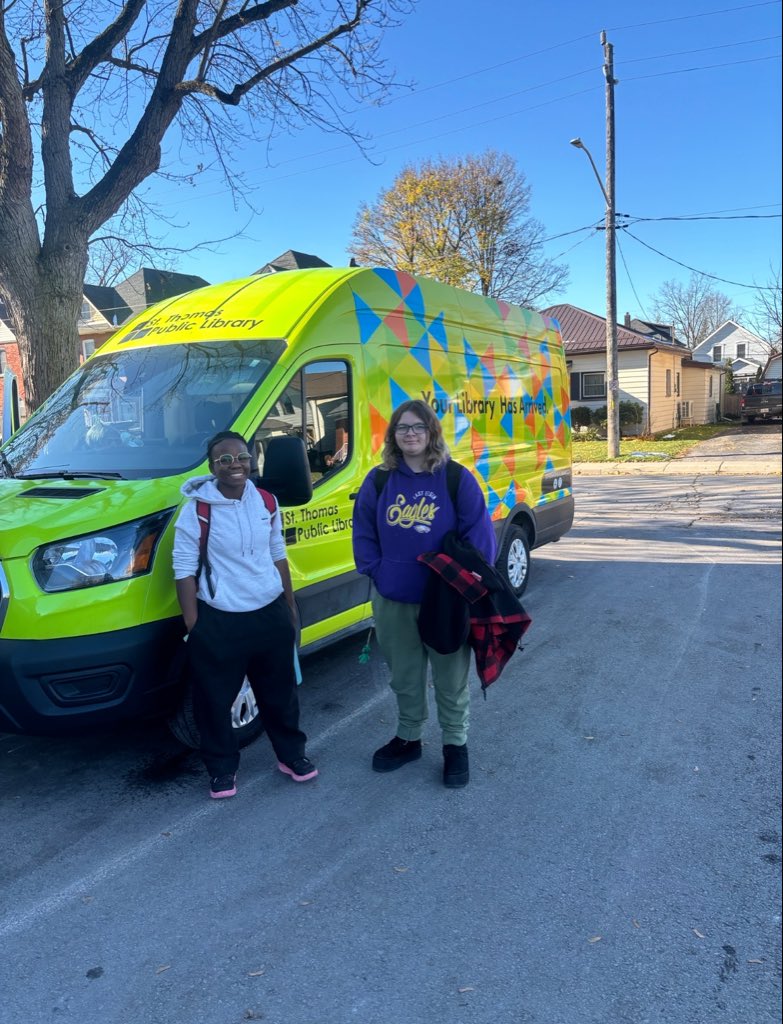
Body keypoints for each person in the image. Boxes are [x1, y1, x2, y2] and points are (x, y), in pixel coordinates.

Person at [352, 399, 496, 788]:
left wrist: (464, 584)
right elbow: (363, 532)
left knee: (450, 677)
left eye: (418, 427)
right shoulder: (379, 480)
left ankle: (455, 745)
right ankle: (409, 737)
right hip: (394, 597)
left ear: (432, 433)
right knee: (405, 676)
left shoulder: (455, 478)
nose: (410, 433)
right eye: (402, 428)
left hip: (445, 600)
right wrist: (378, 571)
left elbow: (481, 541)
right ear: (393, 436)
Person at [172, 430, 317, 799]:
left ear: (252, 461)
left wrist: (289, 605)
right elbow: (184, 570)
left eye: (242, 457)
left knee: (280, 695)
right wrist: (195, 625)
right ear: (212, 466)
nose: (235, 465)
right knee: (213, 702)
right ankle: (222, 770)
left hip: (269, 613)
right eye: (225, 459)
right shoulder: (197, 511)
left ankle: (292, 756)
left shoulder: (267, 501)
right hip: (220, 620)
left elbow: (277, 553)